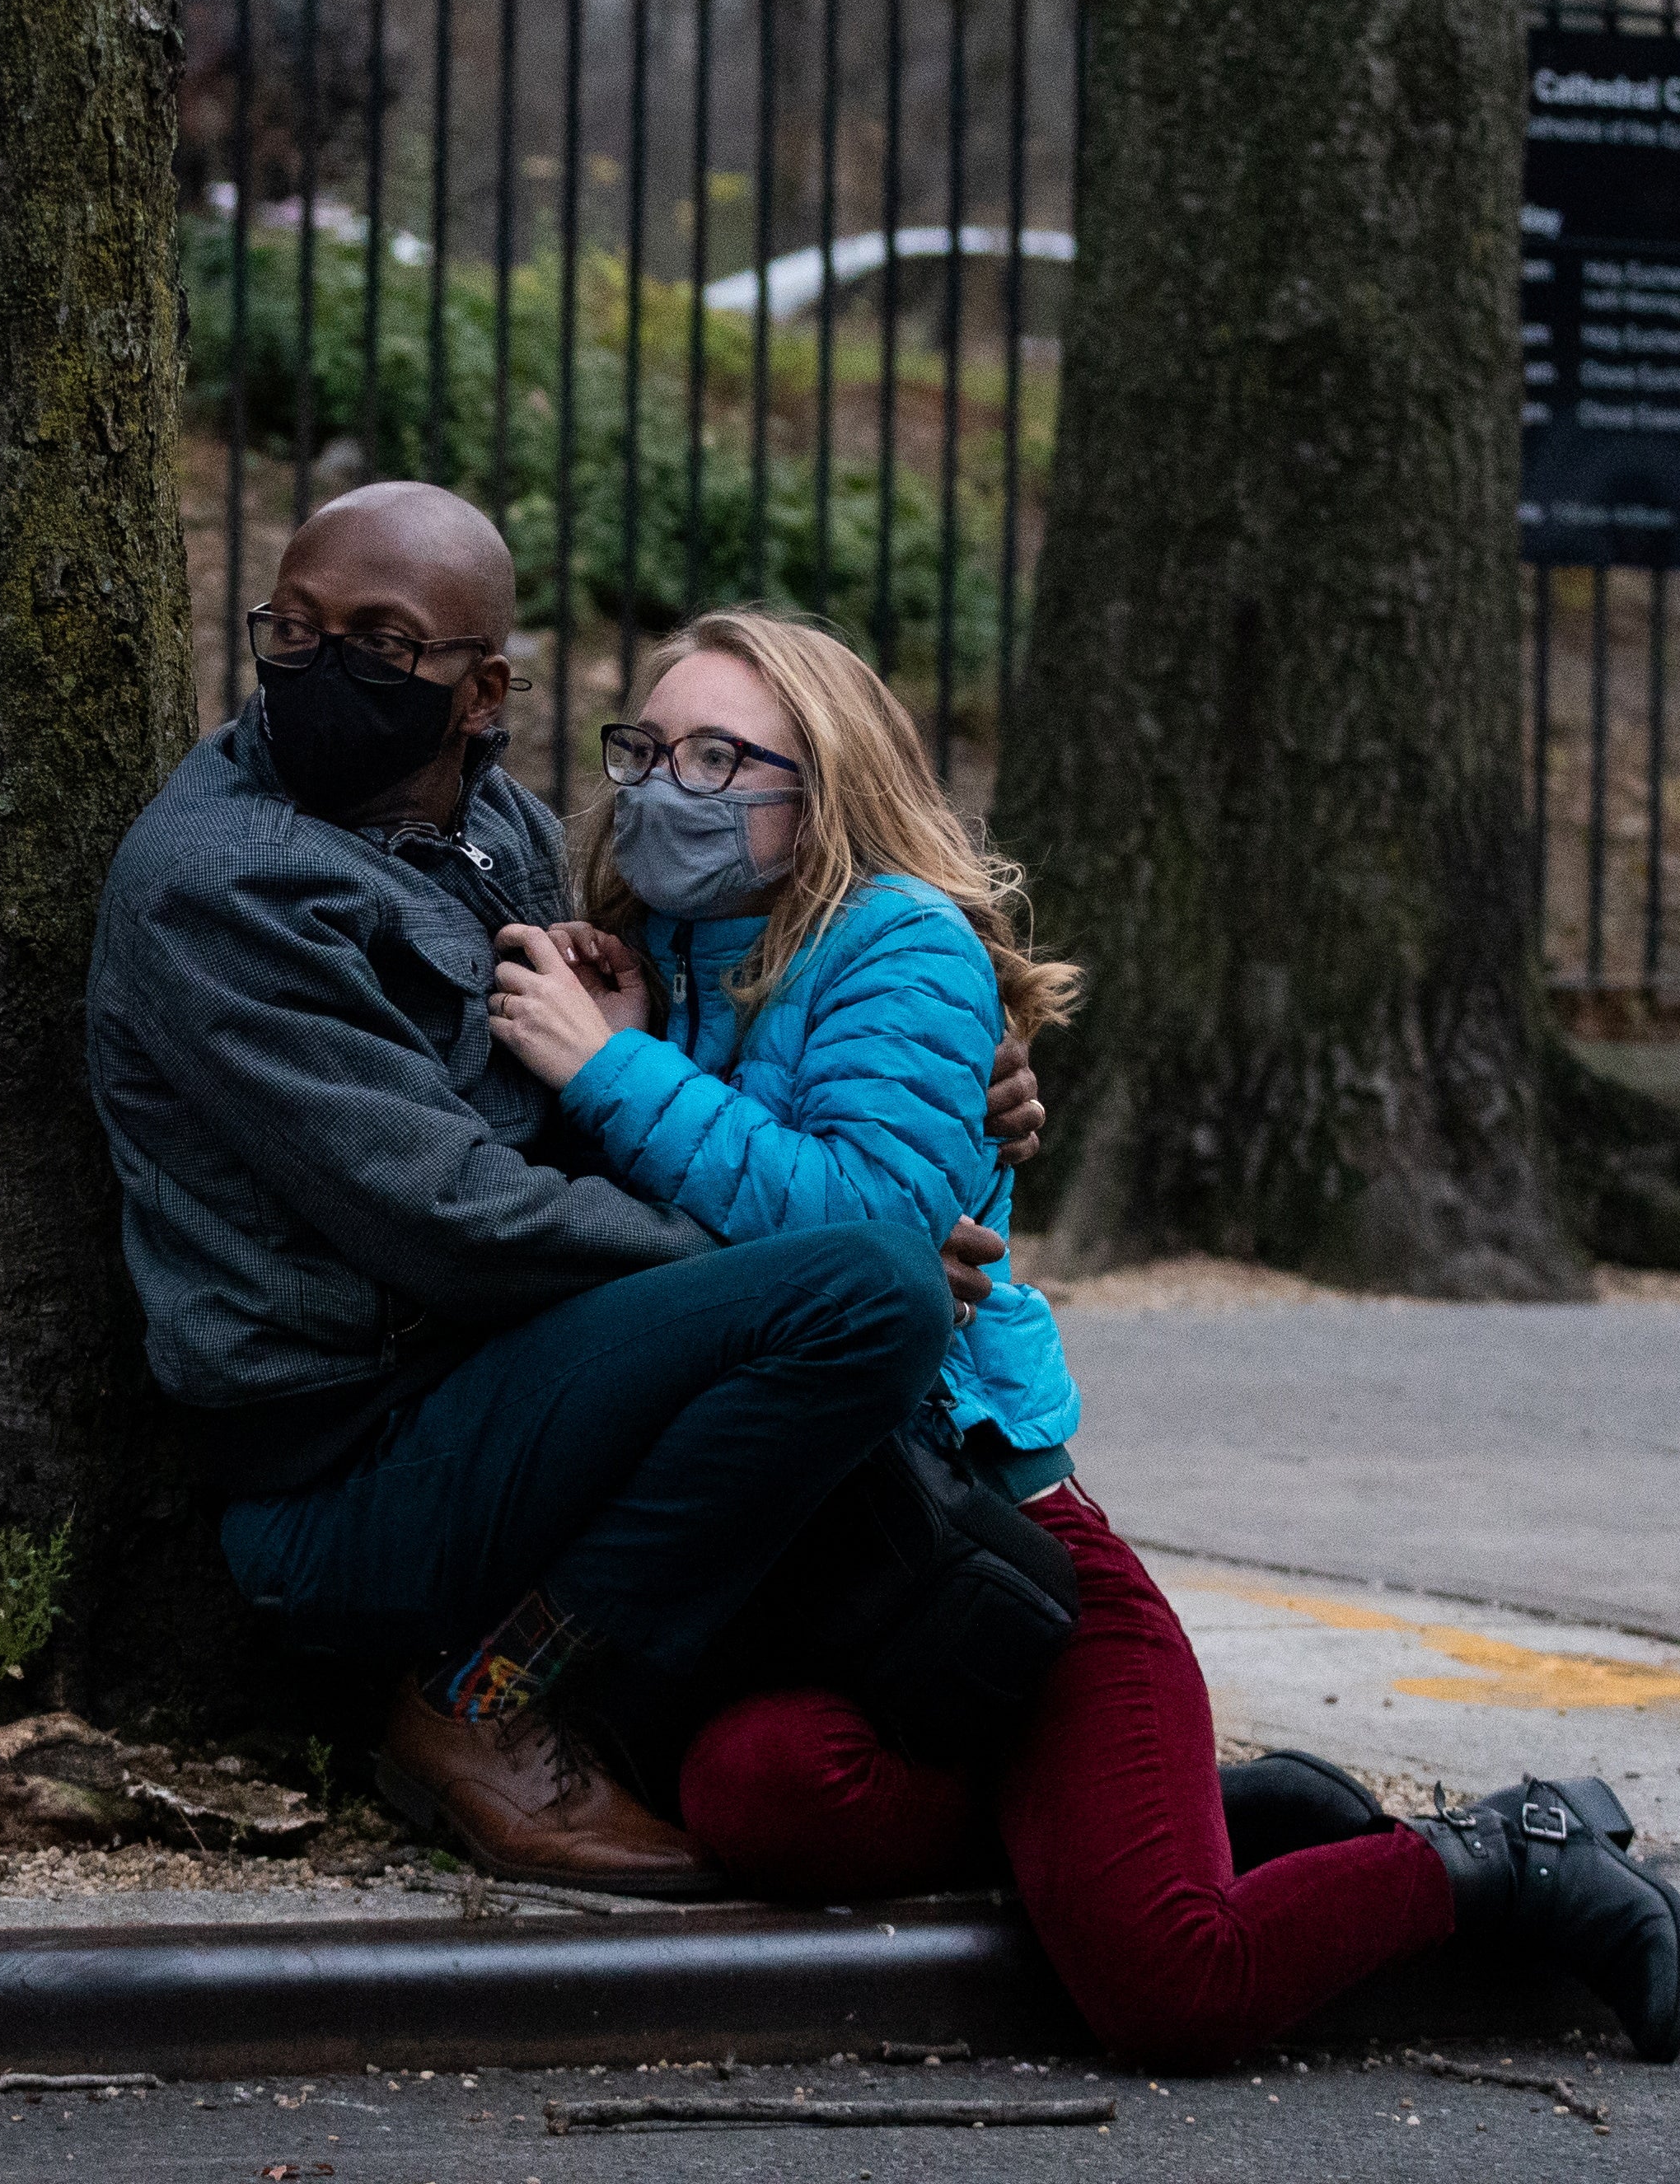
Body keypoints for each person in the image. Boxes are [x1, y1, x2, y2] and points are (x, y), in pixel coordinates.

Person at [480, 607, 1680, 2069]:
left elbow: (863, 1231)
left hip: (990, 1546)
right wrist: (629, 1040)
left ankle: (1511, 1851)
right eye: (649, 748)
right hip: (808, 1567)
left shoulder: (900, 949)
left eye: (722, 755)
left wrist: (609, 1074)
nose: (666, 785)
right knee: (755, 1795)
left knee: (1170, 1981)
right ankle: (1201, 1812)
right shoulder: (651, 958)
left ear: (834, 782)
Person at [81, 484, 1034, 1893]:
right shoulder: (221, 888)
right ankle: (475, 1705)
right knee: (870, 1293)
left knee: (928, 1518)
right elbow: (451, 1217)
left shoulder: (503, 832)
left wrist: (978, 1095)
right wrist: (769, 1259)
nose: (320, 667)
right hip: (350, 1463)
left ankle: (1135, 1823)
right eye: (292, 627)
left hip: (515, 1393)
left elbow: (726, 1041)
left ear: (484, 694)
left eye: (383, 644)